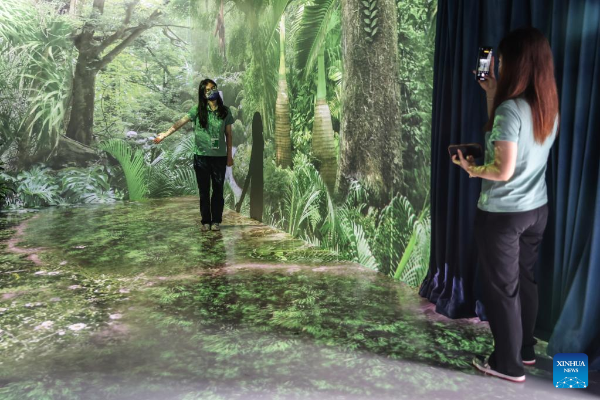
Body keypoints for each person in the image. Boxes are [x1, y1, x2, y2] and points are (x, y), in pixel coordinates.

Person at [452, 27, 559, 383]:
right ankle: (524, 351)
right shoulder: (546, 106)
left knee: (503, 291)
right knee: (524, 282)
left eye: (501, 59)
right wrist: (492, 93)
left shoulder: (511, 110)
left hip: (503, 215)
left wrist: (470, 168)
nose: (497, 64)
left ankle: (507, 365)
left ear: (516, 64)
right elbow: (508, 141)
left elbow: (502, 170)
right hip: (536, 210)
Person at [154, 79, 234, 232]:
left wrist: (229, 156)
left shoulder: (225, 111)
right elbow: (180, 123)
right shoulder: (197, 110)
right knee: (204, 191)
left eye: (213, 88)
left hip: (219, 157)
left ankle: (216, 221)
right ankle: (206, 221)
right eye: (207, 90)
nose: (211, 91)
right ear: (203, 94)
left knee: (218, 191)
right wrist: (165, 134)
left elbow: (229, 135)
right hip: (201, 157)